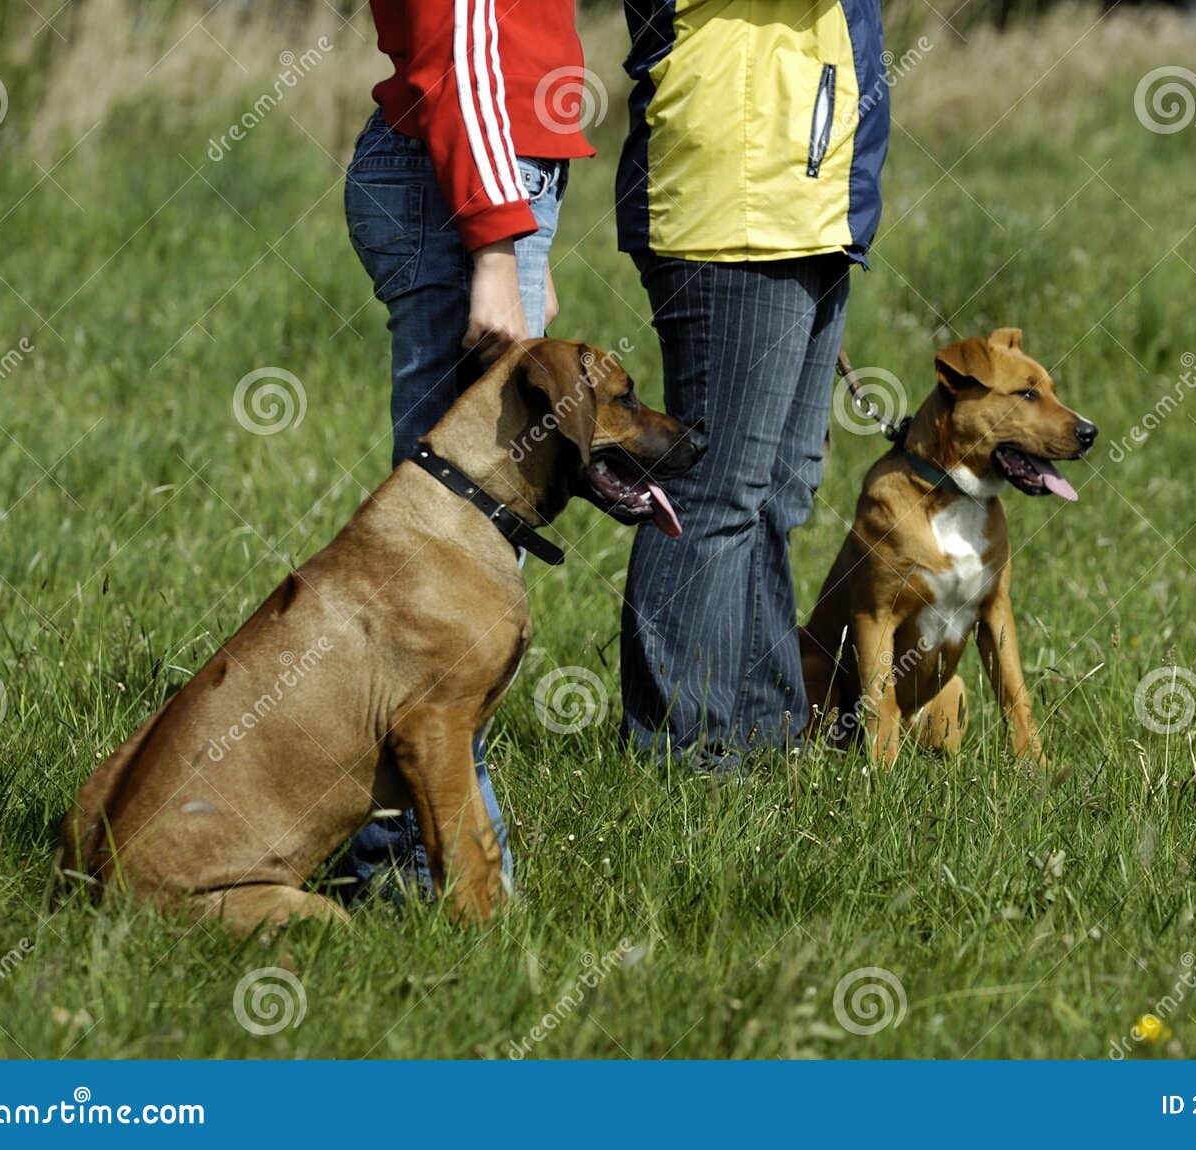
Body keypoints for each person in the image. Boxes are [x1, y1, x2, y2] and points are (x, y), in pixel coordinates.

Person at [336, 0, 592, 896]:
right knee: (449, 560)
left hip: (475, 180)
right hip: (458, 191)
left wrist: (528, 239)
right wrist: (495, 242)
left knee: (461, 551)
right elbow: (464, 39)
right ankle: (417, 871)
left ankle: (401, 855)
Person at [617, 1, 890, 766]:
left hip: (805, 202)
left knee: (776, 492)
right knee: (716, 491)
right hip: (735, 201)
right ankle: (678, 753)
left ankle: (765, 737)